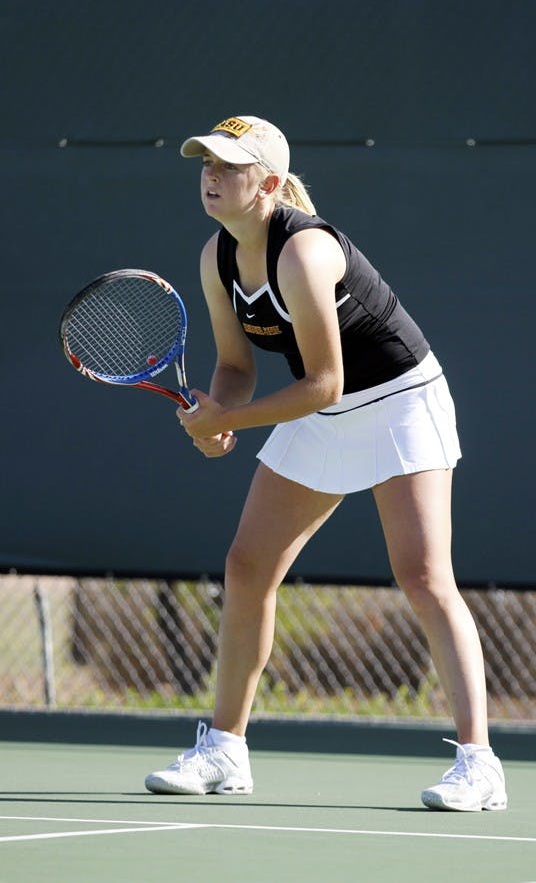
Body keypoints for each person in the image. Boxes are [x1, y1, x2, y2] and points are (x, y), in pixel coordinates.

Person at [144, 115, 507, 812]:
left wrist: (231, 421)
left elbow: (324, 383)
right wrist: (215, 418)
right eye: (206, 164)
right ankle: (224, 749)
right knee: (248, 566)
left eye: (230, 166)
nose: (211, 176)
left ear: (270, 185)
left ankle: (479, 765)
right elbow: (233, 366)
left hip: (400, 400)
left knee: (425, 576)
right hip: (322, 409)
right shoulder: (215, 257)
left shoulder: (303, 253)